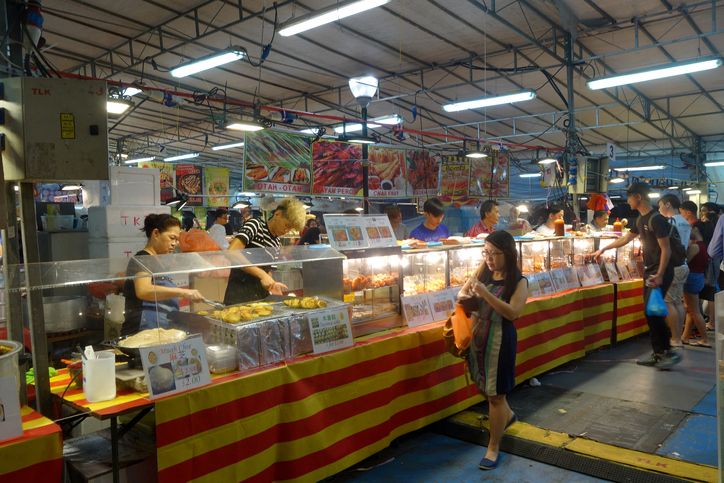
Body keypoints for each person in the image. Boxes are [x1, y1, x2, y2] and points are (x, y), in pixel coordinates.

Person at [457, 230, 528, 470]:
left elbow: (513, 313)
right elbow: (462, 292)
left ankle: (493, 446)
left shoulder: (519, 282)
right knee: (487, 391)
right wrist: (468, 298)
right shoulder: (482, 271)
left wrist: (485, 295)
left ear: (508, 254)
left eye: (494, 253)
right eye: (486, 252)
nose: (489, 258)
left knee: (496, 395)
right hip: (478, 338)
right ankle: (507, 416)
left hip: (500, 341)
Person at [592, 182, 681, 369]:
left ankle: (666, 352)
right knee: (652, 312)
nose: (628, 201)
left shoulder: (656, 219)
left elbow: (666, 249)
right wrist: (603, 249)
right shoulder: (640, 220)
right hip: (651, 271)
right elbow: (626, 239)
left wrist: (660, 274)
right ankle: (660, 352)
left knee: (653, 312)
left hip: (659, 272)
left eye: (629, 197)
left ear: (638, 197)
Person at [123, 214, 204, 336]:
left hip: (160, 329)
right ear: (156, 234)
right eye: (172, 238)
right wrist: (183, 292)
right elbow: (143, 290)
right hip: (142, 330)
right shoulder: (143, 259)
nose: (175, 243)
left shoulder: (158, 261)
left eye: (177, 239)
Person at [223, 198, 307, 305]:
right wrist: (262, 275)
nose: (286, 231)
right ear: (277, 214)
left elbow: (267, 270)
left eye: (290, 229)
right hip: (238, 295)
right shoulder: (255, 225)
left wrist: (273, 284)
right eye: (286, 225)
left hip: (260, 298)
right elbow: (231, 252)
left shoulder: (276, 242)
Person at [658, 195, 690, 348]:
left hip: (673, 265)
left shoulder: (670, 222)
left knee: (669, 302)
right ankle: (679, 336)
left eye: (660, 206)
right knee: (678, 301)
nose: (659, 209)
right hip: (683, 264)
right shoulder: (685, 221)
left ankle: (675, 338)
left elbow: (665, 246)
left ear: (668, 204)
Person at [681, 226, 712, 347]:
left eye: (691, 228)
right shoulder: (703, 246)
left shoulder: (695, 246)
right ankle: (685, 337)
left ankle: (704, 339)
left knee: (694, 311)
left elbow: (685, 261)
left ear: (696, 230)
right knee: (691, 310)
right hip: (698, 277)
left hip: (692, 278)